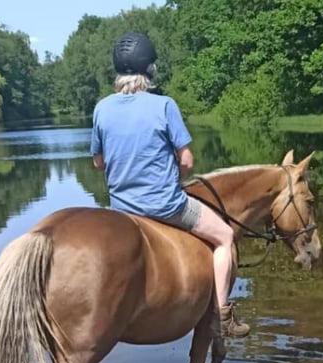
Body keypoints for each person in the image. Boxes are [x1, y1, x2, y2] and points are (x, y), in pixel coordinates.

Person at [90, 31, 249, 338]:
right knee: (226, 237)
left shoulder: (102, 108)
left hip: (123, 210)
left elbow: (98, 163)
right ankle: (221, 315)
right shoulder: (164, 105)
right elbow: (187, 161)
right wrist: (174, 176)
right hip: (166, 205)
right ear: (149, 69)